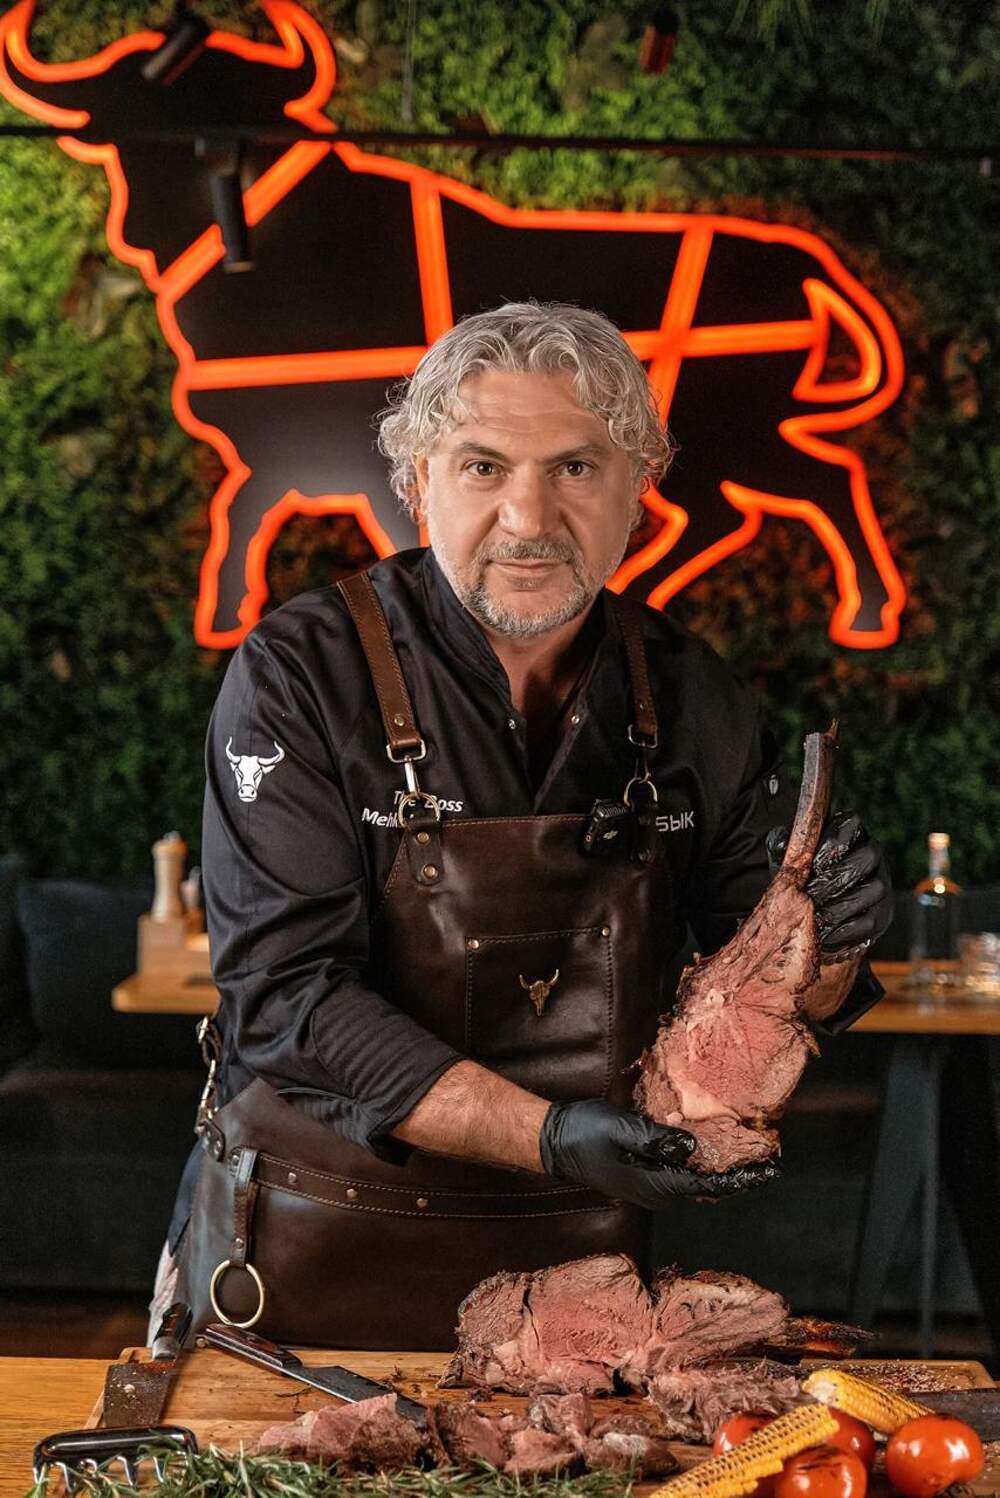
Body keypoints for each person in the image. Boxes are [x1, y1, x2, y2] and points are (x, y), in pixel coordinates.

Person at [150, 300, 891, 1347]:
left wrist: (833, 941)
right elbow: (287, 999)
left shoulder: (694, 696)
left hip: (577, 1299)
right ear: (418, 484)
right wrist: (548, 1135)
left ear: (641, 486)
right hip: (294, 1279)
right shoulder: (299, 678)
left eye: (576, 467)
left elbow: (764, 988)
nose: (530, 518)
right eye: (483, 467)